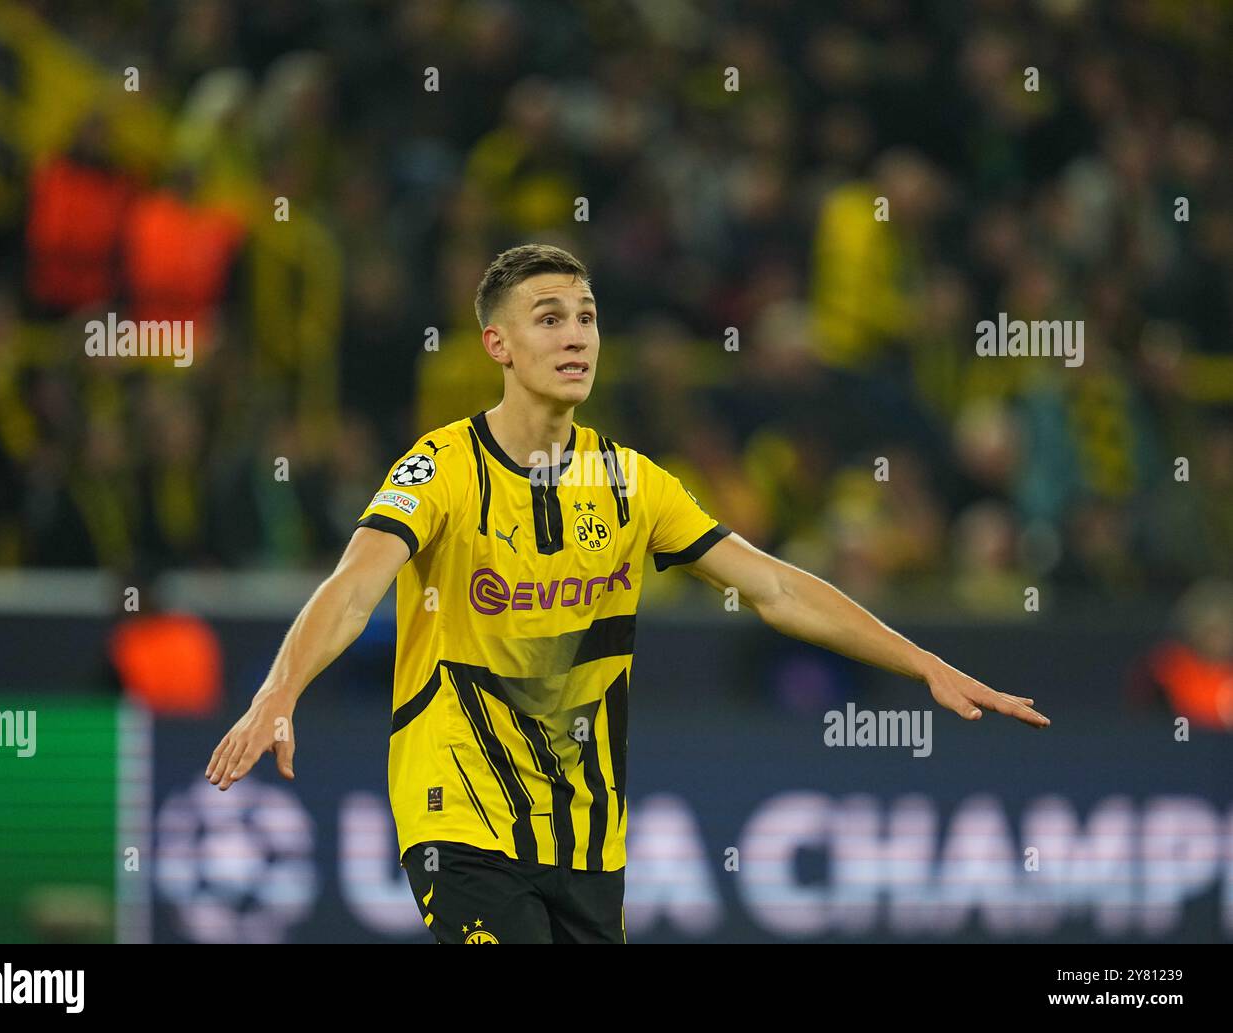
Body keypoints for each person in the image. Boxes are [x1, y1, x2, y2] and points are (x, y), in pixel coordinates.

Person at [205, 243, 1050, 943]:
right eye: (549, 319)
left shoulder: (634, 485)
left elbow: (776, 587)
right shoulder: (441, 469)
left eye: (586, 317)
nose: (576, 336)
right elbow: (354, 588)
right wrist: (281, 690)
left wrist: (923, 662)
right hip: (458, 814)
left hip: (588, 838)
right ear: (497, 344)